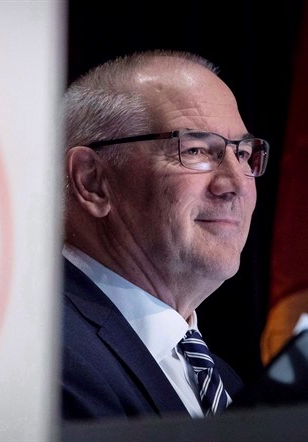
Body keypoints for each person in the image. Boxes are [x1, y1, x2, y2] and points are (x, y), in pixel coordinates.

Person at [60, 49, 270, 420]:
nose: (236, 183)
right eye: (196, 149)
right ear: (92, 181)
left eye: (242, 154)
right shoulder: (47, 354)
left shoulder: (228, 385)